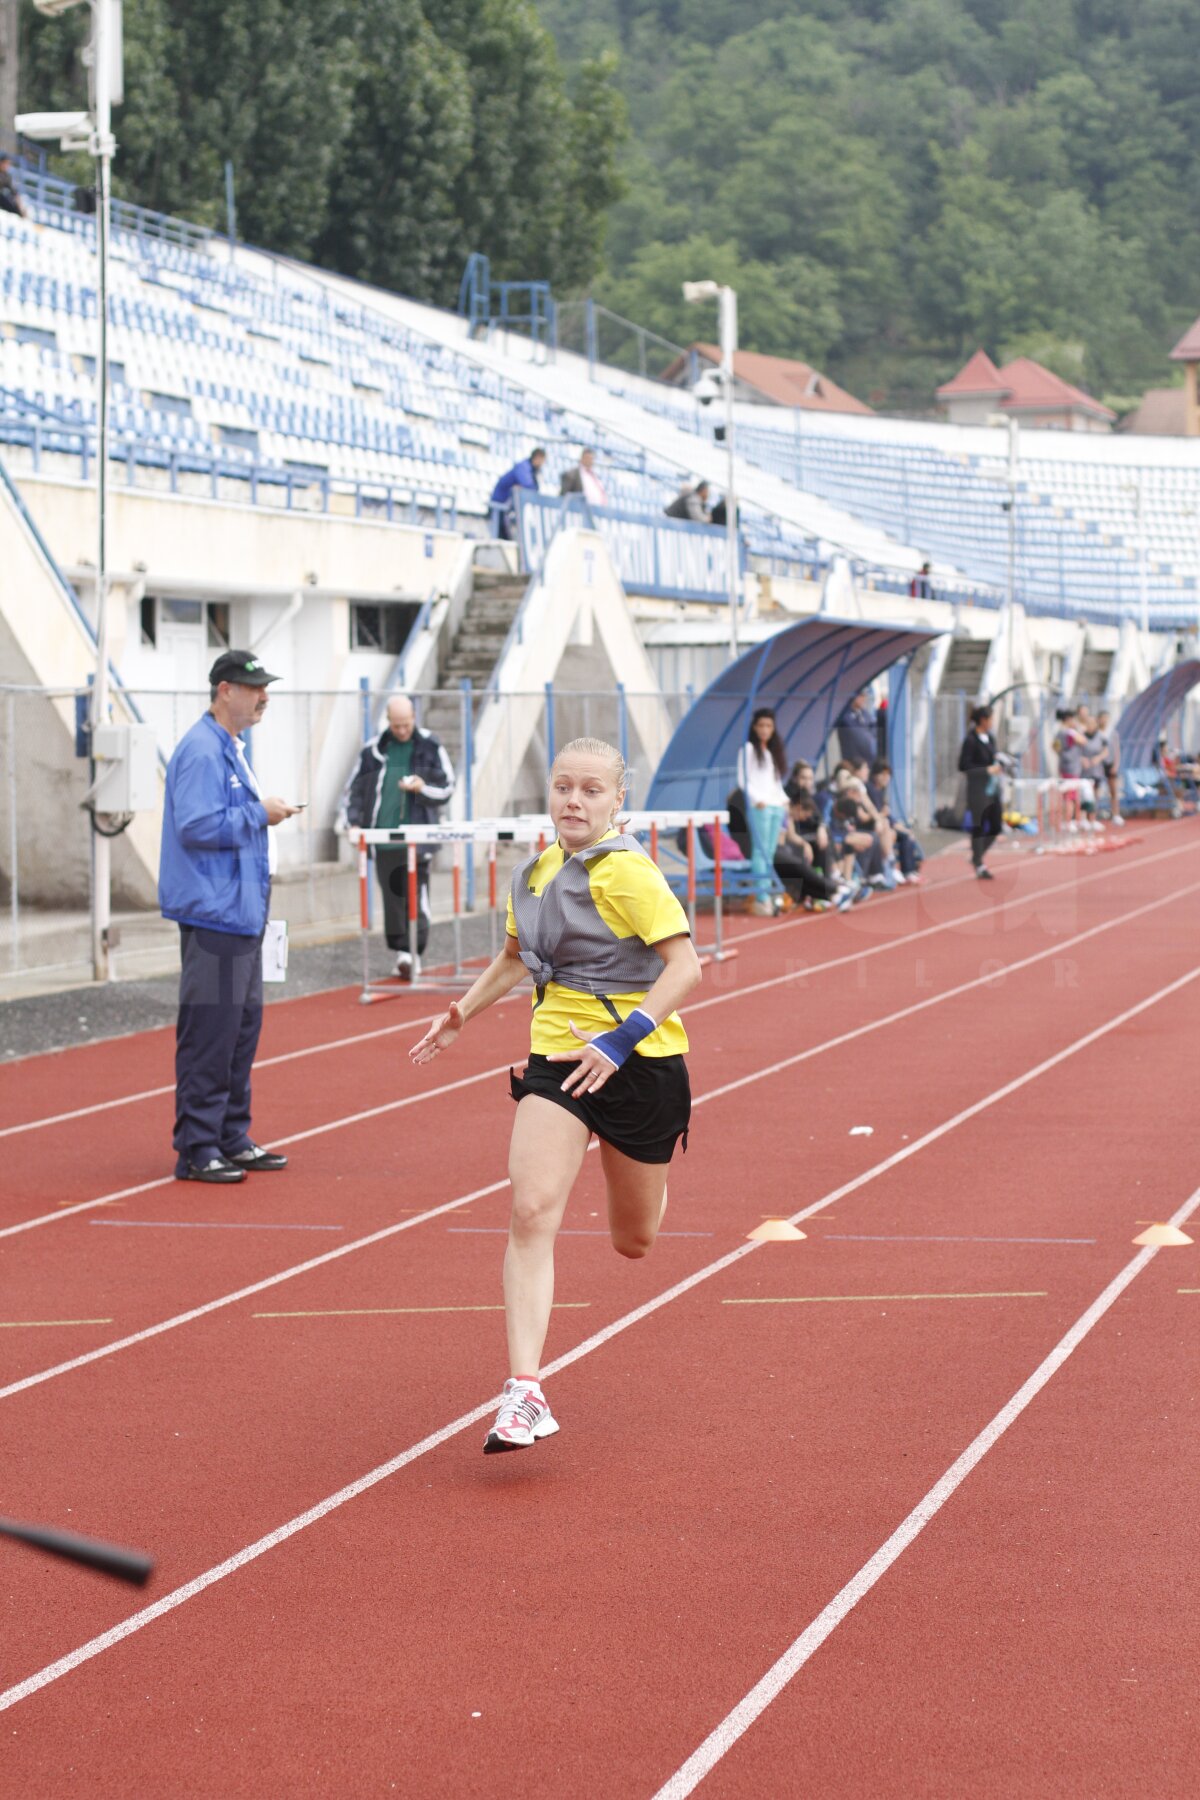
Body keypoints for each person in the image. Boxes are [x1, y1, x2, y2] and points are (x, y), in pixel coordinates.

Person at [409, 738, 701, 1454]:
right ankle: (525, 1391)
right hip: (557, 1061)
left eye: (591, 790)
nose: (574, 800)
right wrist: (460, 1016)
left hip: (640, 1062)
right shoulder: (536, 872)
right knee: (531, 1207)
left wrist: (619, 1040)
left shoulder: (629, 874)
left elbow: (685, 967)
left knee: (634, 1241)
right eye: (564, 787)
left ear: (616, 801)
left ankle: (650, 1176)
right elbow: (514, 957)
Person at [159, 651, 302, 1182]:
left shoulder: (228, 748)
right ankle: (198, 1146)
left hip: (239, 914)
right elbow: (195, 826)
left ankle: (229, 1134)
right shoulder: (201, 750)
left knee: (240, 1031)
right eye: (253, 687)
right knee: (211, 1035)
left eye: (265, 686)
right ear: (225, 690)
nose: (263, 696)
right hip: (214, 915)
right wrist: (257, 814)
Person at [341, 694, 455, 979]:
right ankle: (401, 952)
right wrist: (353, 824)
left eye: (406, 724)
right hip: (382, 838)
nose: (402, 730)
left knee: (416, 898)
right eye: (396, 725)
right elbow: (353, 791)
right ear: (388, 722)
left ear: (414, 718)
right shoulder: (373, 751)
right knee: (392, 899)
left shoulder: (430, 745)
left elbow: (447, 787)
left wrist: (422, 788)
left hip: (418, 838)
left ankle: (413, 953)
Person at [736, 708, 789, 916]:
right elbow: (743, 779)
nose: (765, 730)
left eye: (769, 726)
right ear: (754, 727)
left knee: (770, 851)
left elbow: (775, 782)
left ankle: (766, 891)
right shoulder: (748, 749)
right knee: (760, 851)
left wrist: (784, 801)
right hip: (761, 806)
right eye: (761, 725)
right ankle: (762, 896)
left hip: (775, 806)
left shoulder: (772, 752)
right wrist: (756, 799)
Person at [958, 703, 1003, 879]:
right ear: (983, 720)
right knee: (979, 825)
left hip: (992, 789)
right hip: (978, 790)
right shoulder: (970, 741)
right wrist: (985, 770)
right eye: (990, 719)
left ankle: (976, 855)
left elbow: (994, 756)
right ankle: (979, 863)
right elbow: (963, 766)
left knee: (996, 825)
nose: (992, 722)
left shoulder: (990, 738)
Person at [868, 759, 923, 882]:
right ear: (876, 775)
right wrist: (885, 816)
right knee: (901, 835)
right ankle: (895, 866)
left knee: (906, 834)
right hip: (875, 827)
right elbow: (880, 815)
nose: (886, 778)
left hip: (885, 825)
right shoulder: (871, 790)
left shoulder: (879, 792)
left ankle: (908, 869)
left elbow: (890, 818)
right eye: (883, 774)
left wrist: (904, 829)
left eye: (888, 775)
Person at [489, 447, 545, 540]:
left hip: (508, 506)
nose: (542, 464)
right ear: (537, 457)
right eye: (542, 461)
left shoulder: (531, 470)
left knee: (506, 536)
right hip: (501, 503)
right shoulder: (523, 467)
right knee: (501, 535)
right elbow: (528, 485)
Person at [835, 688, 877, 766]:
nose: (864, 699)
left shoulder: (865, 714)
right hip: (852, 761)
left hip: (868, 760)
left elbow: (873, 731)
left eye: (865, 696)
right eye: (861, 696)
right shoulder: (844, 714)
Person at [1096, 710, 1123, 824]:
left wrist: (1116, 765)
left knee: (1113, 790)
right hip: (1098, 764)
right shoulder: (1096, 733)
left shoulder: (1113, 733)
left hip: (1110, 763)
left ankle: (1116, 814)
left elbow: (1117, 750)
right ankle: (1094, 815)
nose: (1104, 720)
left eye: (1106, 718)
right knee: (1096, 790)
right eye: (1103, 718)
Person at [0, 155, 28, 221]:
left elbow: (14, 193)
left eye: (8, 164)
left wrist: (21, 208)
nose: (6, 166)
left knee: (11, 203)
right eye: (5, 163)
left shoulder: (7, 176)